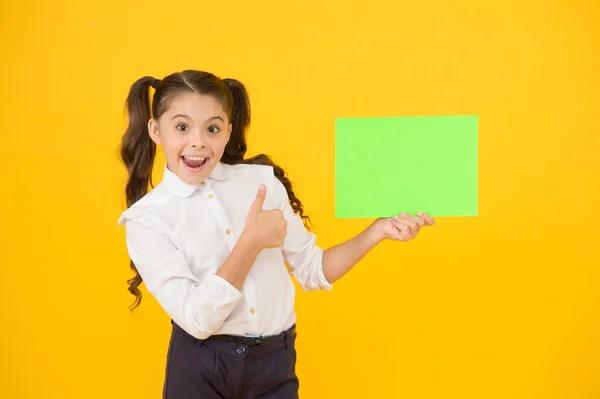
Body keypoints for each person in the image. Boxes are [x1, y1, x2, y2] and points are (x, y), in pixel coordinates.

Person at [117, 69, 435, 399]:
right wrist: (251, 242)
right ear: (156, 130)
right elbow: (198, 320)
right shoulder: (146, 220)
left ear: (227, 132)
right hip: (200, 367)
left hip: (273, 365)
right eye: (182, 127)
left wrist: (378, 230)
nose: (197, 141)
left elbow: (313, 270)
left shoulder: (262, 184)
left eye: (212, 128)